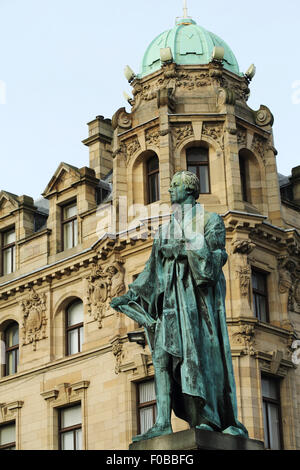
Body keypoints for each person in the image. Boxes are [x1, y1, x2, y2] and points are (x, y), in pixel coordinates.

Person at [110, 170, 248, 441]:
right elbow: (151, 271)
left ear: (189, 189)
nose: (169, 190)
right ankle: (163, 421)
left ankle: (206, 417)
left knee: (200, 358)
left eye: (174, 185)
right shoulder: (163, 231)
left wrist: (183, 247)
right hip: (170, 306)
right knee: (162, 359)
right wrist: (130, 296)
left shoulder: (211, 221)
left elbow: (212, 265)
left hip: (198, 306)